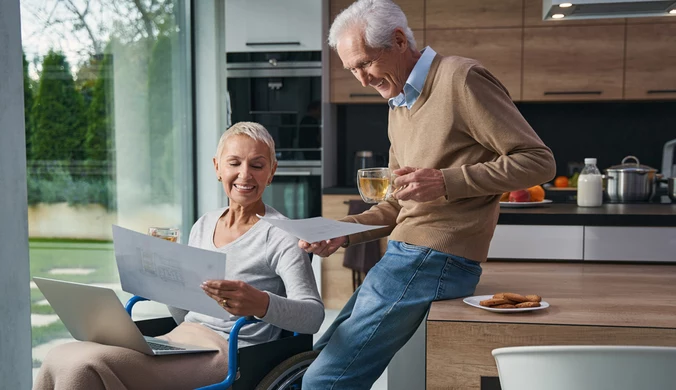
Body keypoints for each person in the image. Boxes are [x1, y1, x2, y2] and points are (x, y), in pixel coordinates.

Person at [300, 0, 556, 388]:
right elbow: (394, 205)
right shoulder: (399, 103)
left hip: (437, 257)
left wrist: (447, 181)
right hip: (407, 255)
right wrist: (341, 231)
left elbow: (539, 162)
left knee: (324, 380)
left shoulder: (461, 78)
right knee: (320, 358)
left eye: (366, 63)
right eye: (353, 69)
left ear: (399, 41)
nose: (362, 79)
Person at [34, 122, 324, 390]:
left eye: (257, 165)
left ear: (271, 171)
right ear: (217, 168)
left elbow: (313, 316)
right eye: (234, 163)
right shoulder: (204, 224)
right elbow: (184, 313)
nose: (245, 174)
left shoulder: (282, 235)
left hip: (228, 352)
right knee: (61, 355)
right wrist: (160, 277)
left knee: (86, 365)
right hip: (183, 338)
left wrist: (260, 303)